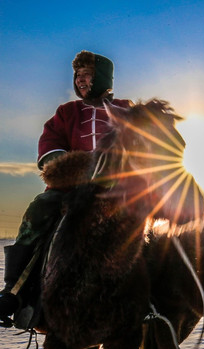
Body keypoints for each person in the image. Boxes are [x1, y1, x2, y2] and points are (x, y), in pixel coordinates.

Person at [0, 50, 131, 327]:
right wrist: (73, 167)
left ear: (103, 78)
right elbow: (49, 146)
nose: (81, 81)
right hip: (72, 188)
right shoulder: (66, 112)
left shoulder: (127, 109)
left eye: (88, 75)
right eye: (78, 76)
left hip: (121, 190)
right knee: (39, 208)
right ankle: (15, 290)